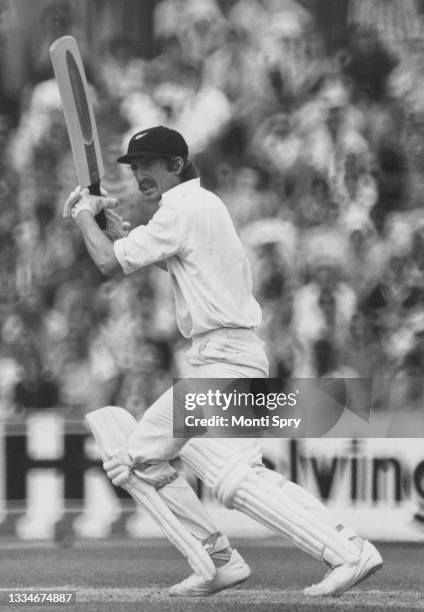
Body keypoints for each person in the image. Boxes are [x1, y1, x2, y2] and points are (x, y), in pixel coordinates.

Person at [63, 125, 382, 597]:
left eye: (150, 164)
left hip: (225, 360)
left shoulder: (184, 207)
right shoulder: (198, 205)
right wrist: (113, 231)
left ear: (177, 164)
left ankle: (322, 553)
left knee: (138, 460)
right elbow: (141, 251)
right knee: (214, 468)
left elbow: (109, 264)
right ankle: (233, 559)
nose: (140, 175)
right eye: (135, 166)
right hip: (224, 356)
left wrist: (83, 216)